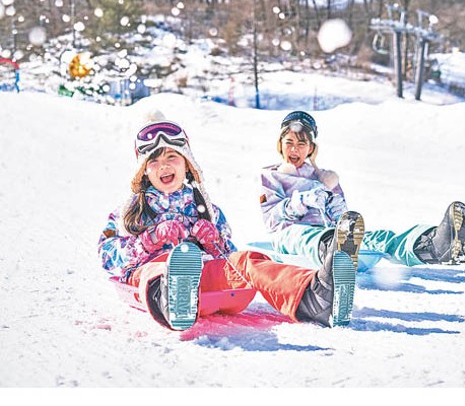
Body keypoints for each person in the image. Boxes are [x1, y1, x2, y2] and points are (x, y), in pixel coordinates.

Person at [97, 114, 364, 331]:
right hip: (152, 272)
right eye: (153, 161)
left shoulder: (207, 209)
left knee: (246, 261)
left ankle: (314, 297)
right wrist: (149, 240)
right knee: (158, 269)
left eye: (171, 157)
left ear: (187, 164)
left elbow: (227, 255)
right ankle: (172, 299)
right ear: (144, 170)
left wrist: (213, 241)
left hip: (203, 274)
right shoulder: (128, 212)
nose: (164, 166)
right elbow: (107, 256)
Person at [259, 110, 465, 269]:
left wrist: (336, 207)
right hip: (289, 237)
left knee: (376, 237)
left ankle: (434, 245)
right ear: (280, 144)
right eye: (289, 143)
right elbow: (272, 218)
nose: (294, 149)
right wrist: (301, 201)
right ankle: (335, 251)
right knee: (302, 235)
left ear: (311, 148)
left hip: (330, 234)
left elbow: (342, 221)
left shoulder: (324, 179)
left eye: (301, 144)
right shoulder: (271, 175)